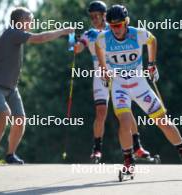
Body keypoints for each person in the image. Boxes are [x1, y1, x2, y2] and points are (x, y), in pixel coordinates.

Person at [95, 4, 182, 177]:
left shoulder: (137, 34)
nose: (115, 30)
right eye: (111, 26)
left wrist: (151, 64)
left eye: (118, 25)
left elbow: (152, 40)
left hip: (139, 85)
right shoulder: (104, 38)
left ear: (126, 22)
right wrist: (103, 68)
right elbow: (97, 46)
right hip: (119, 87)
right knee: (125, 122)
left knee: (163, 122)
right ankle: (128, 162)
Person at [0, 7, 74, 164]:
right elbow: (40, 38)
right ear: (19, 21)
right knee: (5, 113)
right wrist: (63, 31)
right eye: (29, 19)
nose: (31, 22)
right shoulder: (12, 33)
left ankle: (10, 155)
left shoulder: (17, 35)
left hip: (11, 88)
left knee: (20, 120)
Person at [74, 1, 151, 163]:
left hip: (119, 76)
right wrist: (70, 37)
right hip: (101, 76)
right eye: (91, 16)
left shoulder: (115, 29)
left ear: (104, 16)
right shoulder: (91, 34)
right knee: (101, 111)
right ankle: (97, 149)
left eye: (97, 16)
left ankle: (137, 146)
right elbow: (76, 49)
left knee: (126, 112)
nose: (94, 19)